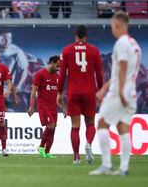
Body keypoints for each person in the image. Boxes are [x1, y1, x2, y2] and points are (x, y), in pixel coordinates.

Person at [90, 11, 141, 176]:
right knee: (123, 128)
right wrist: (104, 88)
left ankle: (106, 165)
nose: (112, 28)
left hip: (120, 93)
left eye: (112, 25)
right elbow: (121, 71)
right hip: (131, 92)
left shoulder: (121, 43)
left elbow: (123, 68)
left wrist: (119, 93)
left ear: (118, 25)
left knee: (102, 123)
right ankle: (124, 168)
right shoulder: (135, 45)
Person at [57, 25, 104, 164]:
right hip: (89, 91)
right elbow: (99, 74)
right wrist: (101, 90)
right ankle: (89, 143)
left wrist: (59, 92)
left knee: (75, 126)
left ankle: (76, 157)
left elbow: (62, 75)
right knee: (90, 123)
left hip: (73, 92)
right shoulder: (94, 51)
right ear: (86, 36)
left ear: (75, 35)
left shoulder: (66, 50)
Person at [28, 56, 66, 158]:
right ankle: (41, 147)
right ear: (51, 63)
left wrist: (63, 107)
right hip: (43, 105)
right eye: (57, 66)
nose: (58, 68)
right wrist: (31, 106)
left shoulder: (57, 77)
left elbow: (59, 95)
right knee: (51, 126)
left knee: (53, 129)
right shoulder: (40, 74)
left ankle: (47, 152)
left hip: (53, 106)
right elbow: (33, 91)